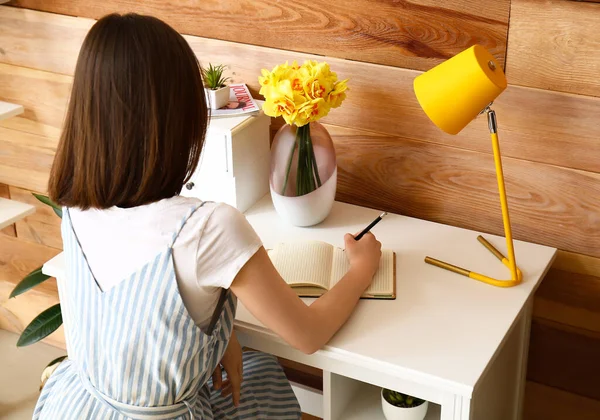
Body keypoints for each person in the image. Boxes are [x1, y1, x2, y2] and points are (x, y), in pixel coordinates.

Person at [33, 13, 381, 420]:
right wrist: (361, 269)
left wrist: (221, 334)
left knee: (252, 364)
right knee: (265, 372)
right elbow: (307, 335)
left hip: (78, 404)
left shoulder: (74, 207)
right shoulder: (209, 228)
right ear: (178, 118)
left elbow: (132, 325)